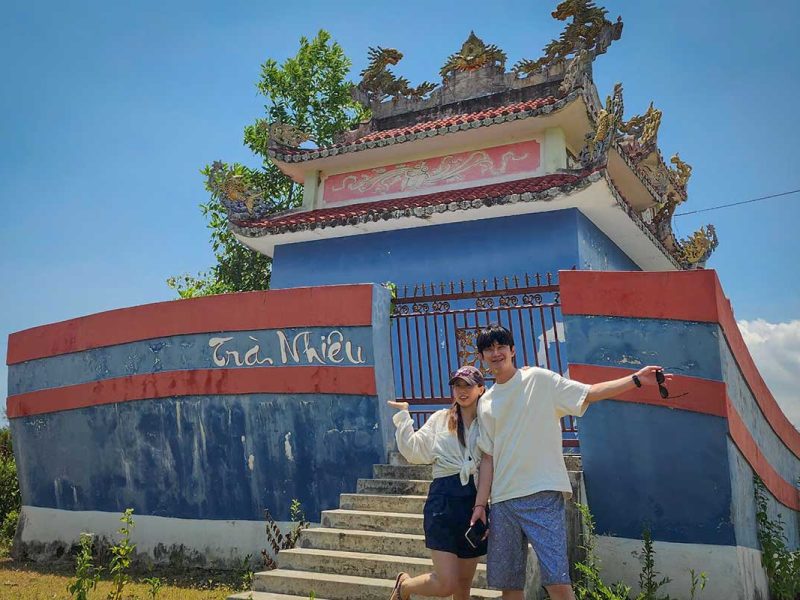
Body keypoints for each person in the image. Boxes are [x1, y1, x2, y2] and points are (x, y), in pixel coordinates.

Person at [469, 324, 671, 600]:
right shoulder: (486, 402)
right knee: (510, 588)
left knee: (558, 584)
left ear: (512, 350)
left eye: (500, 346)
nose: (495, 353)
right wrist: (481, 505)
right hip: (503, 501)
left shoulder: (539, 380)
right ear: (481, 357)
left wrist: (635, 379)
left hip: (541, 493)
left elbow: (588, 393)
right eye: (488, 349)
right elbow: (488, 458)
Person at [387, 365, 489, 600]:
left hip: (474, 502)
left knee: (464, 583)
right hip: (443, 501)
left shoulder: (488, 422)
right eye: (457, 385)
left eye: (468, 385)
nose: (462, 391)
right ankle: (405, 587)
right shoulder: (440, 419)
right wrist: (404, 416)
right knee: (446, 584)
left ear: (481, 389)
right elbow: (414, 451)